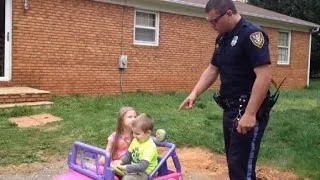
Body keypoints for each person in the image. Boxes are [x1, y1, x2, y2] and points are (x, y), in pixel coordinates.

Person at [179, 0, 272, 179]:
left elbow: (264, 76)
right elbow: (213, 69)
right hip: (230, 109)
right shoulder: (222, 38)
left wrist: (250, 114)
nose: (212, 26)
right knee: (234, 163)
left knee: (241, 168)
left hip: (247, 109)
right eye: (209, 22)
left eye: (214, 21)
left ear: (229, 13)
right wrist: (194, 93)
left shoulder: (252, 34)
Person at [113, 113, 158, 180]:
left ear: (148, 133)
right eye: (133, 132)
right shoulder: (135, 141)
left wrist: (126, 167)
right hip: (134, 168)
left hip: (145, 172)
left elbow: (142, 166)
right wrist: (121, 162)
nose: (134, 135)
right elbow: (128, 156)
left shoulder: (150, 147)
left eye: (137, 133)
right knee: (113, 170)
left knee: (127, 179)